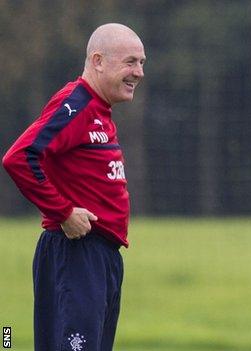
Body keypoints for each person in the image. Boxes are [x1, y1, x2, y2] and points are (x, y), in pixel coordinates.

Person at [2, 23, 145, 350]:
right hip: (76, 254)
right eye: (130, 62)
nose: (138, 72)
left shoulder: (100, 110)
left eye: (141, 63)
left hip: (101, 257)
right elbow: (20, 157)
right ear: (97, 61)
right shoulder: (76, 103)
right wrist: (63, 211)